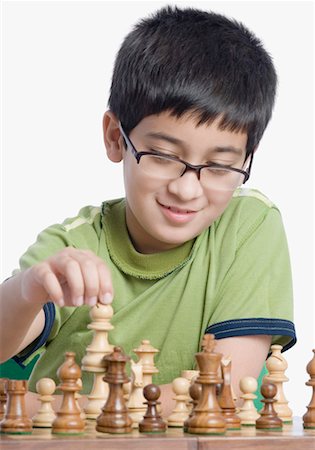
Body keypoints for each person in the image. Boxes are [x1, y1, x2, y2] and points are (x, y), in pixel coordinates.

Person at [0, 6, 296, 410]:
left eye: (220, 165)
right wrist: (27, 289)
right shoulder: (75, 245)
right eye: (161, 155)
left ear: (247, 157)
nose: (187, 188)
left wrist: (47, 407)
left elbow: (222, 392)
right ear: (116, 138)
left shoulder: (249, 226)